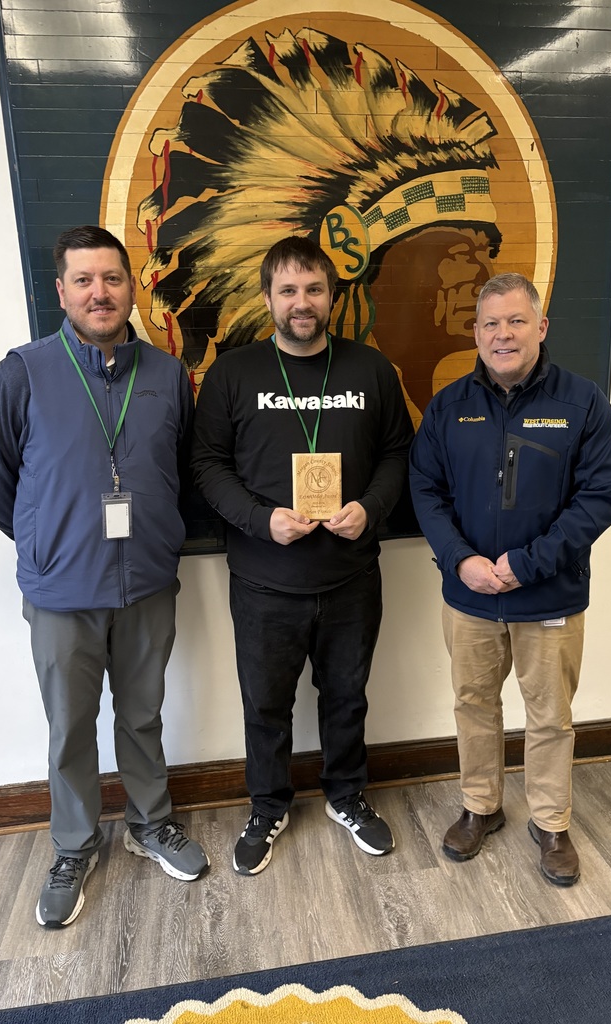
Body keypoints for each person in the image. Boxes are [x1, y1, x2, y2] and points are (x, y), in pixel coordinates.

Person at [0, 225, 208, 928]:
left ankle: (149, 823)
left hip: (147, 586)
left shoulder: (167, 375)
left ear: (132, 287)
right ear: (61, 291)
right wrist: (47, 543)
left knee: (142, 714)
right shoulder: (24, 372)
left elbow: (183, 471)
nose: (99, 293)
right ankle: (75, 845)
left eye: (111, 278)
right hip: (61, 593)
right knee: (70, 725)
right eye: (84, 280)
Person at [191, 235, 414, 875]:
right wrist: (261, 520)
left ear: (332, 295)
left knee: (347, 696)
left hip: (351, 576)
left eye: (314, 289)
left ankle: (347, 796)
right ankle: (268, 805)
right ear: (268, 298)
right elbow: (206, 464)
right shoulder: (233, 374)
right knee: (265, 705)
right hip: (264, 580)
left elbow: (399, 452)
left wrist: (371, 507)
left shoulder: (371, 370)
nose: (302, 302)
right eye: (287, 290)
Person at [409, 272, 611, 886]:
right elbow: (425, 489)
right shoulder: (448, 406)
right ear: (476, 333)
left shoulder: (583, 402)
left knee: (551, 715)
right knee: (473, 704)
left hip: (549, 595)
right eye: (490, 324)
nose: (502, 335)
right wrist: (460, 560)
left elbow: (600, 497)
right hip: (469, 595)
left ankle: (551, 822)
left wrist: (526, 564)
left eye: (515, 321)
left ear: (541, 327)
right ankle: (480, 806)